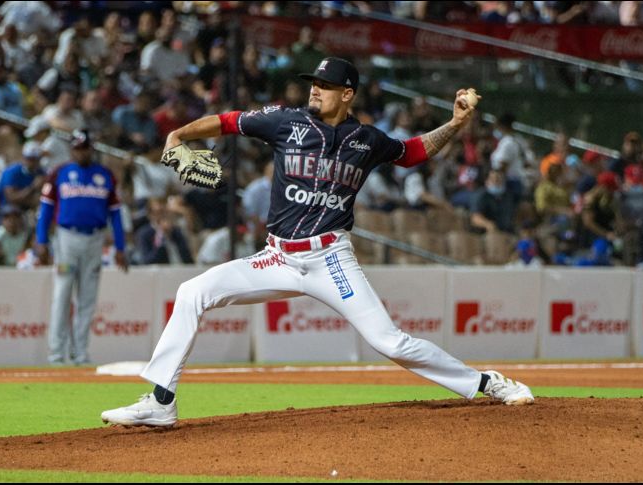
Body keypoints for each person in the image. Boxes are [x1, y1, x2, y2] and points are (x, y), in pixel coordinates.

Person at [101, 57, 534, 428]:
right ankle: (161, 402)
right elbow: (230, 120)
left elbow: (412, 152)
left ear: (347, 94)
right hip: (276, 257)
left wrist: (456, 124)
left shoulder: (366, 140)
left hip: (330, 259)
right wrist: (180, 135)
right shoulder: (285, 123)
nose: (316, 90)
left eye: (325, 86)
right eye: (314, 83)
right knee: (192, 291)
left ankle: (485, 382)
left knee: (389, 342)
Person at [35, 129, 128, 365]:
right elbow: (45, 210)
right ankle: (56, 353)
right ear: (72, 149)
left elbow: (116, 215)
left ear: (91, 149)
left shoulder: (105, 175)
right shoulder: (60, 173)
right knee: (62, 293)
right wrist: (42, 240)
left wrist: (120, 247)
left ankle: (80, 353)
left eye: (84, 147)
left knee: (87, 298)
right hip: (67, 239)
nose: (81, 151)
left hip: (95, 239)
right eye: (77, 147)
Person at [0, 141, 46, 210]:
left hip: (27, 208)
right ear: (23, 157)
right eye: (29, 159)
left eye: (34, 159)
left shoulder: (40, 172)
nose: (32, 162)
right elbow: (11, 198)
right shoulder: (12, 172)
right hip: (7, 208)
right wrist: (33, 187)